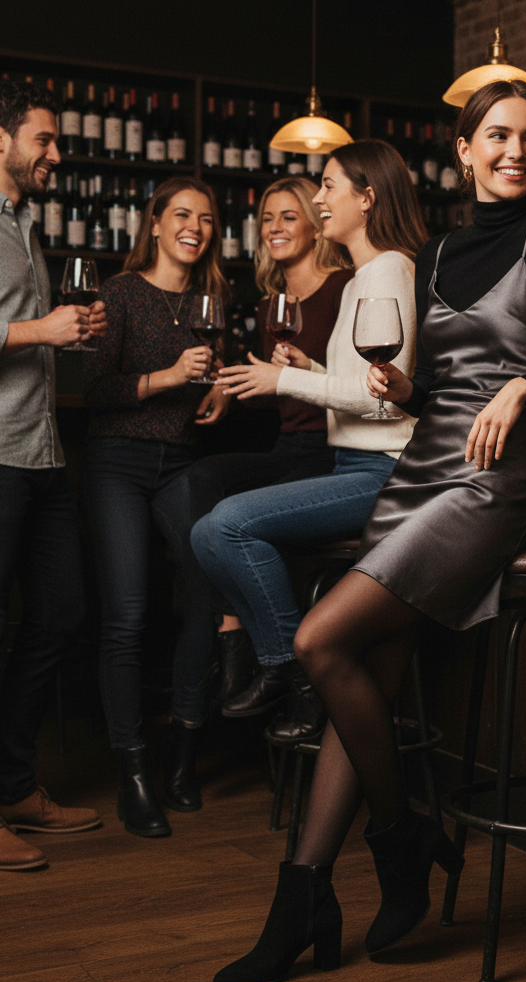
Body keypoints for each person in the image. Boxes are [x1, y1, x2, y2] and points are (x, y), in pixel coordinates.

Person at [208, 81, 526, 982]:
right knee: (366, 673)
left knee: (322, 638)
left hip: (491, 482)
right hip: (419, 473)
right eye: (498, 137)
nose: (516, 151)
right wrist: (402, 390)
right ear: (464, 151)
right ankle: (306, 892)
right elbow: (431, 386)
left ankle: (402, 841)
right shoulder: (435, 253)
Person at [190, 139, 426, 748]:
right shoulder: (360, 281)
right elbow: (365, 385)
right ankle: (289, 666)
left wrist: (284, 379)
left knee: (224, 527)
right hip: (355, 461)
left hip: (383, 471)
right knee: (207, 529)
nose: (318, 199)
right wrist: (313, 370)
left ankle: (292, 669)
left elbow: (385, 398)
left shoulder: (389, 269)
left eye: (328, 186)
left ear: (366, 198)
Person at [82, 176, 230, 839]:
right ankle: (133, 772)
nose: (194, 226)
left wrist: (220, 389)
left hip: (182, 462)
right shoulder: (118, 293)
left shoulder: (210, 297)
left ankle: (182, 756)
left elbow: (212, 372)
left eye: (205, 217)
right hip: (118, 459)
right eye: (182, 215)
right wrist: (168, 378)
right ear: (155, 223)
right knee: (129, 613)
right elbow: (94, 389)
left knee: (204, 594)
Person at [188, 177, 353, 714]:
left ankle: (278, 665)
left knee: (235, 521)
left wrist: (293, 375)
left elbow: (358, 388)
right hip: (290, 447)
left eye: (288, 216)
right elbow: (275, 395)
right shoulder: (270, 306)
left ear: (313, 222)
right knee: (204, 481)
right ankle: (232, 624)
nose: (275, 228)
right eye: (267, 219)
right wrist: (228, 388)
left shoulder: (344, 287)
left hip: (333, 451)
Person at [0, 80, 105, 871]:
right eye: (44, 139)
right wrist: (42, 327)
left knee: (62, 614)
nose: (56, 154)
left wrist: (66, 333)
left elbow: (25, 335)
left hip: (42, 451)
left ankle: (11, 785)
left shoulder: (27, 224)